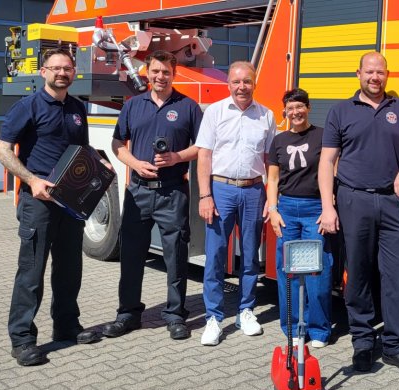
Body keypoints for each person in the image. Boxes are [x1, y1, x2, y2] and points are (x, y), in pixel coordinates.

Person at [318, 52, 399, 375]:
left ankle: (395, 346)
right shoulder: (341, 111)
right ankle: (362, 342)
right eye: (369, 72)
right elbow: (326, 161)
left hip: (393, 202)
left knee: (397, 273)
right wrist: (328, 206)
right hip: (353, 199)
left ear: (387, 74)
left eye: (380, 72)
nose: (375, 77)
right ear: (358, 73)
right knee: (357, 272)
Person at [0, 48, 107, 366]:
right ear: (43, 72)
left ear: (73, 73)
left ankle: (67, 326)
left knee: (69, 268)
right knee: (31, 271)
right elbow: (2, 151)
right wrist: (32, 180)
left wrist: (98, 169)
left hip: (70, 203)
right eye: (56, 68)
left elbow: (80, 151)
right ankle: (22, 339)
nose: (62, 73)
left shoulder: (76, 108)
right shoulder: (27, 106)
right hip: (39, 202)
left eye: (67, 68)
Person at [101, 50, 202, 341]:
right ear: (147, 72)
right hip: (138, 193)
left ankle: (175, 315)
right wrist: (134, 164)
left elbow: (202, 146)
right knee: (131, 256)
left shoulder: (188, 107)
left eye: (166, 72)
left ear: (174, 73)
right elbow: (117, 142)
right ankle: (128, 314)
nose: (160, 77)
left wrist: (176, 157)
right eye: (155, 71)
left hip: (173, 193)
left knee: (175, 256)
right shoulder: (133, 106)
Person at [195, 61, 276, 346]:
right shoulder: (215, 112)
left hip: (254, 191)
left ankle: (246, 310)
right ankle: (214, 318)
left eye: (247, 82)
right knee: (215, 255)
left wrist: (271, 198)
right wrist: (205, 195)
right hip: (221, 190)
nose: (242, 87)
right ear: (228, 83)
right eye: (236, 81)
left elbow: (270, 162)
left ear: (255, 83)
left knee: (251, 257)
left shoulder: (267, 116)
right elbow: (203, 155)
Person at [266, 88, 332, 348]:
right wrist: (273, 210)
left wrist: (329, 206)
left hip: (315, 210)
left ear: (308, 107)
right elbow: (272, 179)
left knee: (318, 270)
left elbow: (333, 171)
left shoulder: (323, 136)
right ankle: (293, 328)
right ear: (285, 111)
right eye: (290, 109)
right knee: (288, 271)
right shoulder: (278, 141)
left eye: (299, 107)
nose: (295, 112)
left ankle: (318, 330)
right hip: (287, 211)